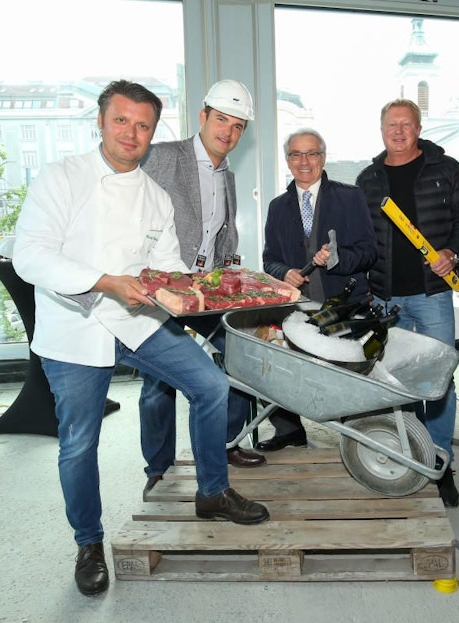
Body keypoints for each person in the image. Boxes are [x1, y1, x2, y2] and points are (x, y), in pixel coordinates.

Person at [12, 80, 269, 597]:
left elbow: (168, 264)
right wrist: (105, 281)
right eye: (121, 121)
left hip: (136, 318)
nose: (131, 133)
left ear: (153, 132)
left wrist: (217, 287)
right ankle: (88, 542)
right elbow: (30, 256)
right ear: (101, 122)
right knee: (79, 443)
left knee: (210, 385)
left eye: (143, 125)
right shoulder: (61, 177)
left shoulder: (154, 196)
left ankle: (212, 492)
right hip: (74, 324)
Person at [138, 79, 265, 491]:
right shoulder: (163, 157)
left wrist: (231, 275)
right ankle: (158, 468)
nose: (228, 131)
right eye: (222, 120)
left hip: (205, 289)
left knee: (240, 355)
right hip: (164, 286)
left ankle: (225, 443)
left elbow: (222, 235)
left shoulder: (227, 175)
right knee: (158, 381)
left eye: (238, 125)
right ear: (203, 116)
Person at [355, 99, 459, 508]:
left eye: (406, 124)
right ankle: (410, 451)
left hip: (432, 294)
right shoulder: (368, 179)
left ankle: (440, 461)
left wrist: (452, 252)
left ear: (419, 129)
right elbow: (361, 238)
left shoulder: (446, 168)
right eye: (392, 124)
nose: (399, 131)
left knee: (439, 378)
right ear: (381, 129)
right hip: (385, 298)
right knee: (397, 380)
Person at [258, 128, 378, 450]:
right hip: (297, 308)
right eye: (296, 154)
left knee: (348, 374)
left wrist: (338, 258)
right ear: (287, 160)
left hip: (345, 303)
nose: (304, 161)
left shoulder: (350, 197)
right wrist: (285, 272)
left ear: (323, 158)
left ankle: (359, 437)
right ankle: (289, 430)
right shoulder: (277, 207)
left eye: (312, 153)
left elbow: (369, 251)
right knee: (281, 369)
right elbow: (269, 260)